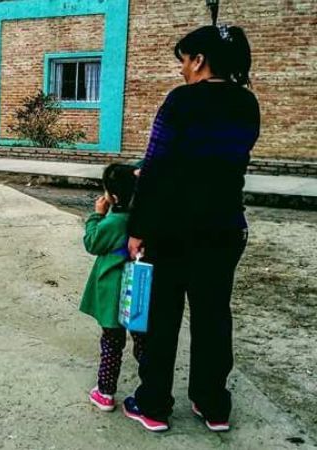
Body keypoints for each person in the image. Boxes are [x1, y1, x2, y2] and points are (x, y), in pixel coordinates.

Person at [123, 25, 259, 433]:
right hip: (224, 228)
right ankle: (212, 404)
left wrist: (137, 227)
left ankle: (154, 405)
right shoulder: (247, 104)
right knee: (213, 316)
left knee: (162, 318)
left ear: (199, 60)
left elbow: (156, 167)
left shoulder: (181, 101)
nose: (182, 69)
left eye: (184, 60)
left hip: (173, 230)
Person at [79, 164, 145, 412]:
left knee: (111, 343)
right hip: (136, 290)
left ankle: (105, 392)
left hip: (113, 291)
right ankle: (151, 386)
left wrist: (97, 215)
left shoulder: (113, 221)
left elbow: (92, 243)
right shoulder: (140, 219)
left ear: (113, 197)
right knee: (142, 342)